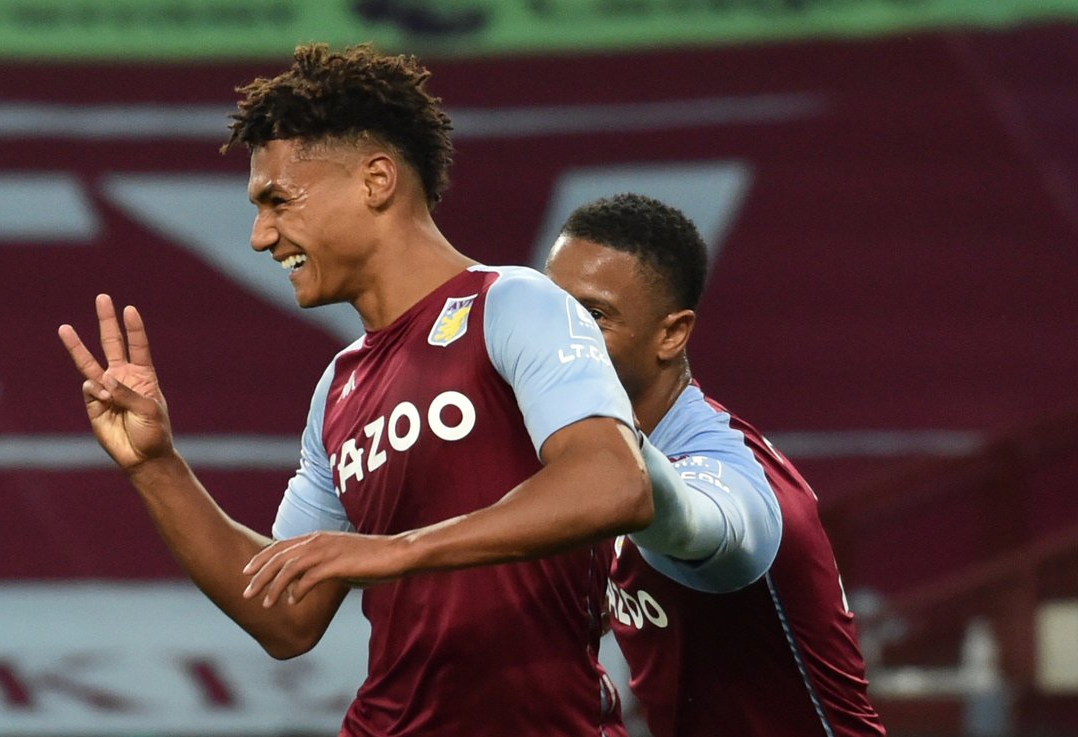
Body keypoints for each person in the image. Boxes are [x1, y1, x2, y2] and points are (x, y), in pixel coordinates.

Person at [57, 44, 652, 737]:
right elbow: (285, 615)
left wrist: (397, 550)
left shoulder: (515, 304)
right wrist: (157, 466)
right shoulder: (339, 389)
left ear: (376, 180)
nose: (259, 237)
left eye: (278, 201)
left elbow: (615, 484)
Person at [544, 193, 887, 737]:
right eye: (547, 309)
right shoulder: (585, 448)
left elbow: (695, 521)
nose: (553, 337)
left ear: (671, 334)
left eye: (593, 316)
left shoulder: (729, 471)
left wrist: (604, 439)